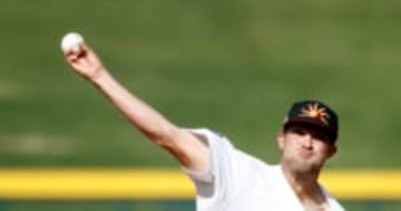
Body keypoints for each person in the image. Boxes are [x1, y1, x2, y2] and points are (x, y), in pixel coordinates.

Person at [63, 41, 345, 211]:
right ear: (281, 139)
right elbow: (167, 135)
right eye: (299, 132)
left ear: (331, 150)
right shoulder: (239, 174)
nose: (307, 142)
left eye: (318, 137)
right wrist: (100, 77)